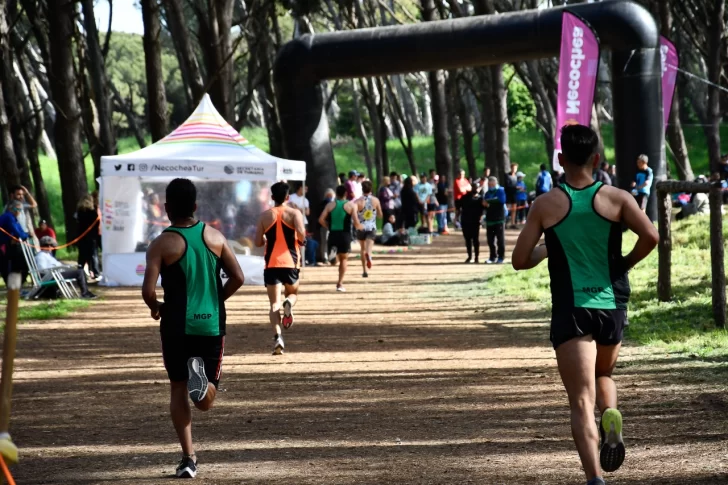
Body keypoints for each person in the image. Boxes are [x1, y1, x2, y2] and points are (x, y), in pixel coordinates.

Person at [512, 124, 658, 485]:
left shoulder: (546, 204)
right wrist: (623, 263)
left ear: (560, 160)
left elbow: (519, 259)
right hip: (612, 303)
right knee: (604, 375)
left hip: (572, 308)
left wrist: (551, 246)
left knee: (579, 398)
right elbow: (652, 236)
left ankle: (595, 478)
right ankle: (611, 414)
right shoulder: (618, 198)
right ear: (596, 158)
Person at [142, 178, 244, 479]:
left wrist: (156, 307)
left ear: (166, 208)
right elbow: (237, 277)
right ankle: (204, 385)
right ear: (195, 206)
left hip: (175, 325)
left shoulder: (161, 244)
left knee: (177, 387)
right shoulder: (215, 236)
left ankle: (188, 458)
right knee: (204, 402)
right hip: (211, 324)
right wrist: (216, 299)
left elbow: (148, 290)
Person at [254, 182, 306, 355]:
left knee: (273, 304)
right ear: (287, 197)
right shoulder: (294, 213)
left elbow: (258, 242)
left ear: (272, 197)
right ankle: (289, 304)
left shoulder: (264, 216)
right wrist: (300, 241)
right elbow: (301, 234)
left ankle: (278, 338)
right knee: (292, 294)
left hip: (271, 263)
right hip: (291, 262)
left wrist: (267, 238)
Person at [319, 185, 363, 292]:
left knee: (333, 261)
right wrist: (360, 227)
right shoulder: (351, 205)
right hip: (345, 235)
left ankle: (333, 257)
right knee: (344, 259)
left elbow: (321, 219)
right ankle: (340, 284)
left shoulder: (330, 205)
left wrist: (328, 226)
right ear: (346, 194)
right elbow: (356, 222)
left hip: (333, 234)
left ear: (336, 193)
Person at [355, 180, 383, 278]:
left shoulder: (357, 201)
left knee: (362, 249)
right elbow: (380, 215)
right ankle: (369, 256)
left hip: (361, 227)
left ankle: (364, 270)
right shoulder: (375, 200)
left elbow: (353, 215)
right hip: (371, 226)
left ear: (362, 189)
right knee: (369, 247)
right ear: (371, 189)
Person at [0, 201, 30, 285]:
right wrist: (24, 236)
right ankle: (11, 283)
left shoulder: (14, 218)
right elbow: (16, 231)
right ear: (11, 209)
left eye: (20, 210)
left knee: (19, 261)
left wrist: (25, 235)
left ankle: (18, 282)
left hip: (10, 244)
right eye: (17, 209)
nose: (19, 212)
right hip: (3, 245)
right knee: (6, 265)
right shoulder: (8, 217)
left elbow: (20, 230)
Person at [76, 195, 101, 280]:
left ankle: (80, 273)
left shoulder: (79, 212)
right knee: (93, 255)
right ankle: (96, 273)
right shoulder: (92, 212)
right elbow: (96, 224)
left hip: (81, 237)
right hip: (91, 237)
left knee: (82, 256)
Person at [482, 176, 506, 264]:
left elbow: (501, 201)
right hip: (490, 219)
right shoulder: (487, 193)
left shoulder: (500, 191)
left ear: (495, 183)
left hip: (499, 219)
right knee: (490, 240)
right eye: (489, 184)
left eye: (492, 184)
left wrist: (489, 203)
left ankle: (501, 257)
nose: (490, 186)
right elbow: (485, 203)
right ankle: (492, 257)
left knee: (500, 239)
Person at [461, 186, 484, 263]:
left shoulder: (480, 199)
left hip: (475, 222)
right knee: (467, 240)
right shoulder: (465, 198)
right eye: (475, 188)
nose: (476, 190)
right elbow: (459, 207)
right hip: (466, 221)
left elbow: (484, 209)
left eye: (477, 188)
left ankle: (476, 257)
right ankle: (469, 256)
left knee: (475, 240)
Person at [318, 188, 336, 266]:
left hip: (334, 226)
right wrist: (325, 224)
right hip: (325, 225)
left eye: (331, 196)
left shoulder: (335, 204)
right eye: (328, 195)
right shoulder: (322, 204)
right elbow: (319, 216)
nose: (329, 197)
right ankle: (324, 258)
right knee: (324, 242)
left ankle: (332, 257)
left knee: (334, 242)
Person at [504, 164, 519, 229]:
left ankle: (512, 223)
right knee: (507, 209)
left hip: (514, 194)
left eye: (515, 168)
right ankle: (505, 223)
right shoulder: (507, 176)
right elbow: (507, 185)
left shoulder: (516, 176)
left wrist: (518, 188)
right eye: (513, 168)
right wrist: (516, 187)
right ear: (511, 168)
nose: (514, 169)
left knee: (514, 209)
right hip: (508, 194)